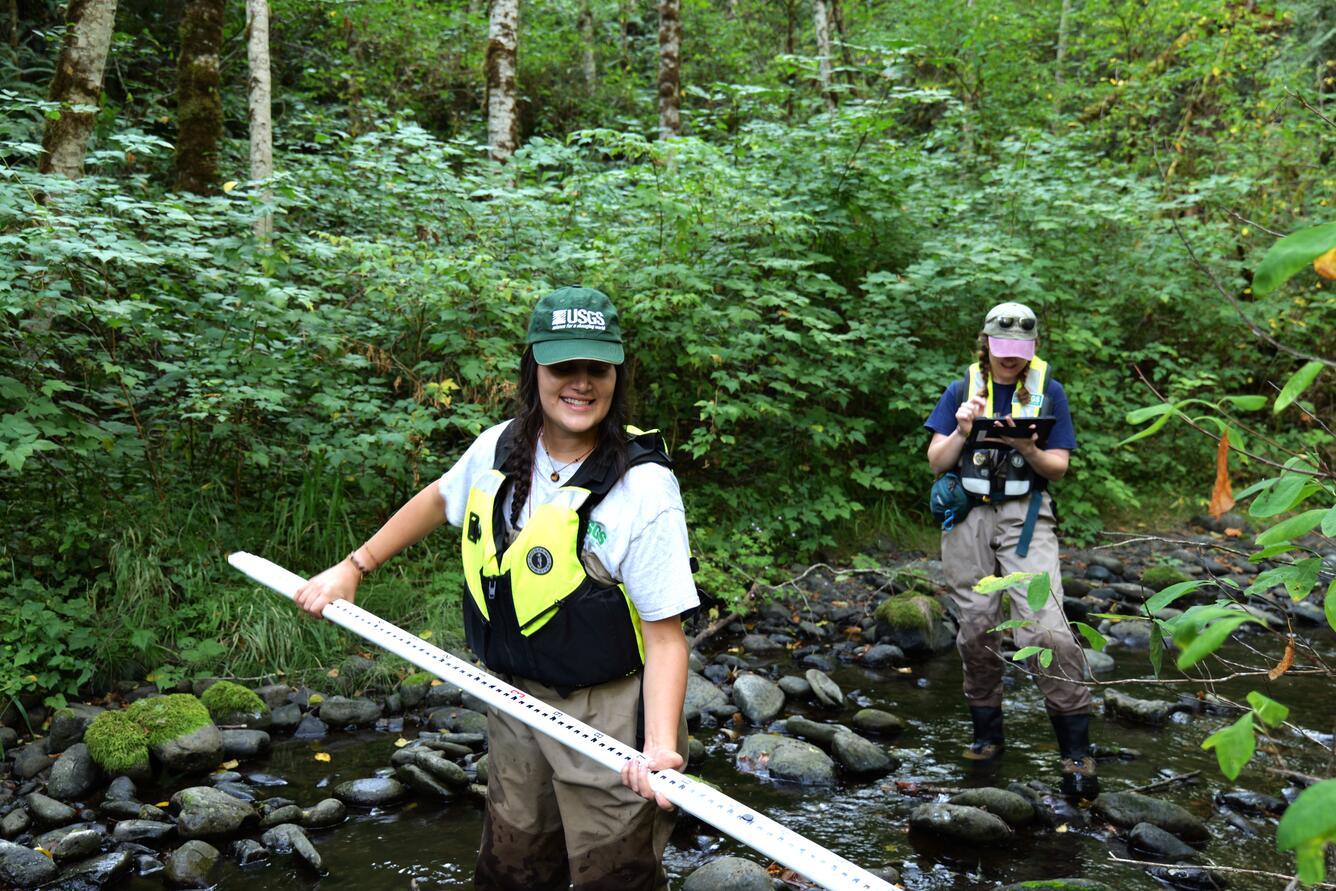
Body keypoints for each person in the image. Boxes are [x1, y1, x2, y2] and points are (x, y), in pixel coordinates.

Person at [292, 286, 699, 890]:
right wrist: (354, 566)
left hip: (607, 714)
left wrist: (661, 747)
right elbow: (437, 498)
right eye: (564, 366)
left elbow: (667, 640)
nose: (581, 383)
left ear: (617, 374)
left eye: (597, 368)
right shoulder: (501, 445)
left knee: (613, 875)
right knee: (513, 867)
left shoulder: (643, 490)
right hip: (515, 700)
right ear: (534, 367)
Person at [923, 301, 1097, 799]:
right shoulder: (961, 390)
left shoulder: (1050, 393)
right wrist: (961, 429)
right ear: (986, 344)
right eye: (1002, 349)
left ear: (1033, 348)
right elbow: (937, 462)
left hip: (1027, 517)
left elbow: (1058, 466)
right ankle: (987, 736)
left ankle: (1076, 751)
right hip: (968, 517)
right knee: (976, 627)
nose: (1011, 359)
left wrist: (1028, 449)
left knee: (1048, 629)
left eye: (1020, 350)